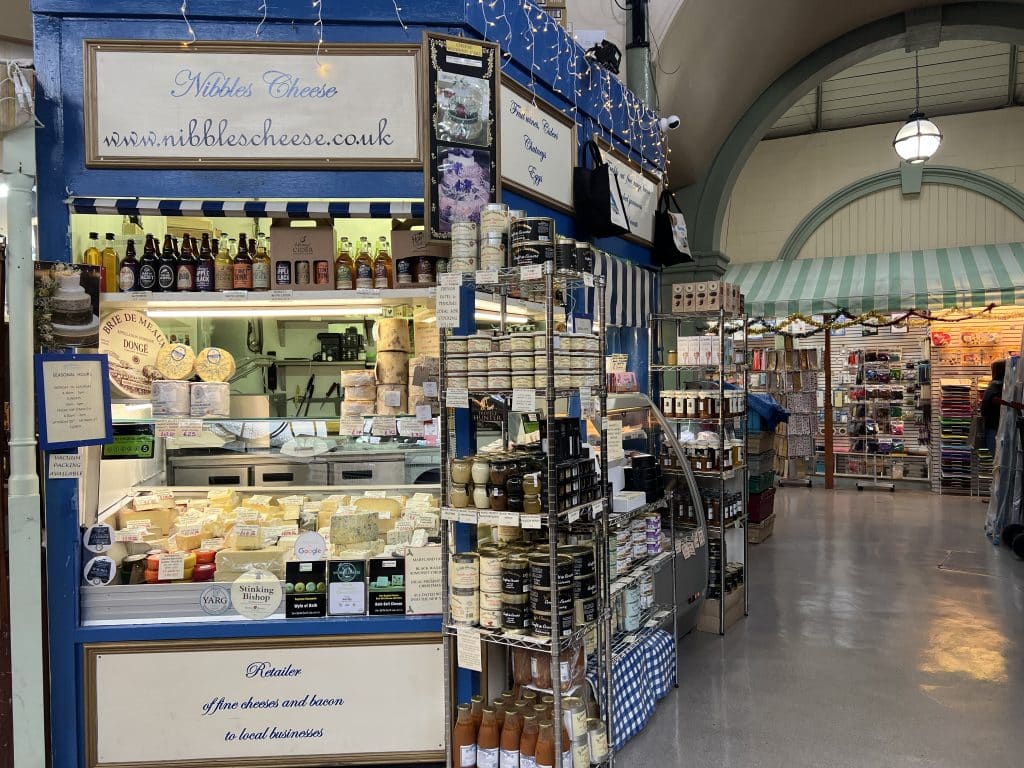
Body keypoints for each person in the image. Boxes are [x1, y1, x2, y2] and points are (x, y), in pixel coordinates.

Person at [981, 359, 1006, 454]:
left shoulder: (992, 387)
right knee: (999, 461)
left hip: (992, 429)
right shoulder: (999, 390)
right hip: (996, 430)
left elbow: (984, 411)